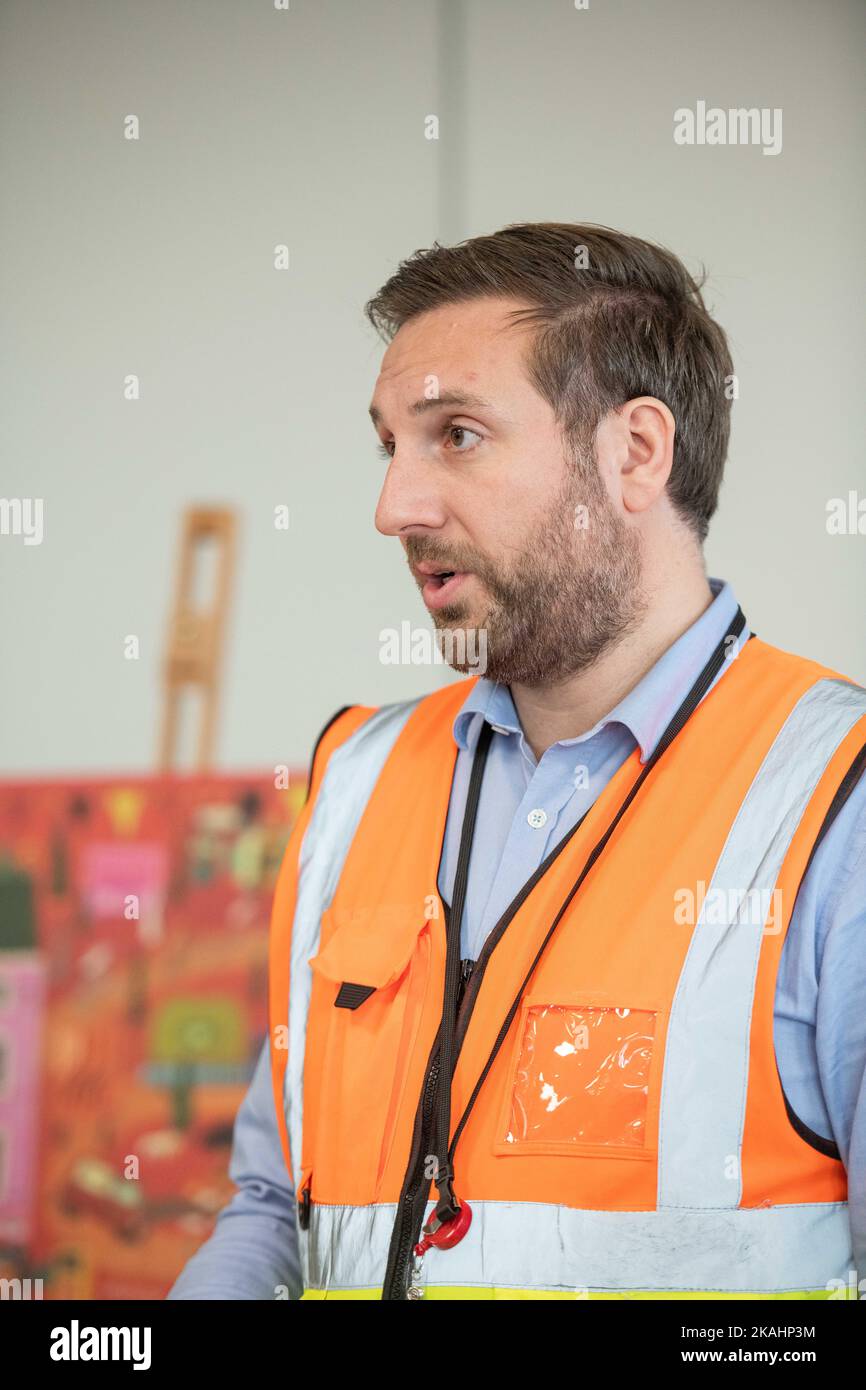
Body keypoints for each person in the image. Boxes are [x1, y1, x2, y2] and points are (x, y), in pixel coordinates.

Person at [169, 222, 866, 1301]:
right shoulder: (356, 778)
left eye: (454, 435)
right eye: (387, 445)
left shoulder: (834, 798)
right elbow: (272, 1209)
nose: (393, 506)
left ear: (633, 453)